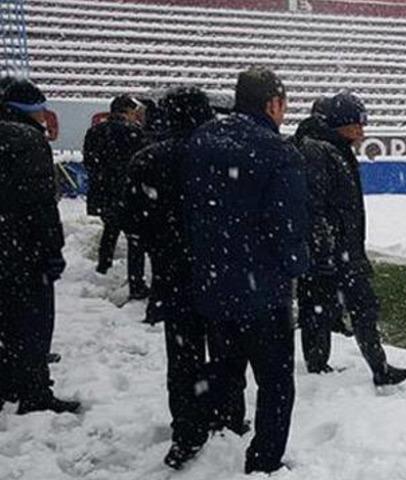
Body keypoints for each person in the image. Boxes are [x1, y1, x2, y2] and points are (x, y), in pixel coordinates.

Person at [184, 67, 309, 475]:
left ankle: (225, 425)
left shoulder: (202, 140)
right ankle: (264, 460)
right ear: (273, 103)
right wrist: (298, 267)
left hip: (213, 283)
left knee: (224, 365)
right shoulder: (277, 151)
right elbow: (289, 226)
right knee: (275, 382)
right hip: (263, 291)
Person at [124, 86, 236, 469]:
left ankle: (187, 430)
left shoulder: (148, 159)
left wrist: (161, 245)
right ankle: (225, 414)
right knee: (225, 352)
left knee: (183, 357)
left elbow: (133, 222)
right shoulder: (225, 157)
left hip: (174, 275)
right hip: (221, 274)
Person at [293, 91, 406, 385]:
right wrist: (326, 248)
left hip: (337, 249)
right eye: (357, 123)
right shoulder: (319, 151)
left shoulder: (330, 148)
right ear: (339, 123)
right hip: (335, 252)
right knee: (355, 306)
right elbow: (314, 204)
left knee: (319, 307)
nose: (363, 130)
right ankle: (375, 368)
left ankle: (322, 366)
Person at [0, 78, 80, 415]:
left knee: (5, 321)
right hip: (24, 248)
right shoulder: (27, 140)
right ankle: (34, 391)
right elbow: (40, 205)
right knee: (34, 321)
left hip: (6, 246)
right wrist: (51, 251)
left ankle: (7, 380)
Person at [83, 94, 148, 299]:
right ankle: (136, 280)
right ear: (127, 112)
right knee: (134, 238)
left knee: (110, 230)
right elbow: (140, 163)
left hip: (103, 191)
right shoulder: (134, 133)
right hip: (126, 192)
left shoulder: (94, 131)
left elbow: (89, 161)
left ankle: (104, 267)